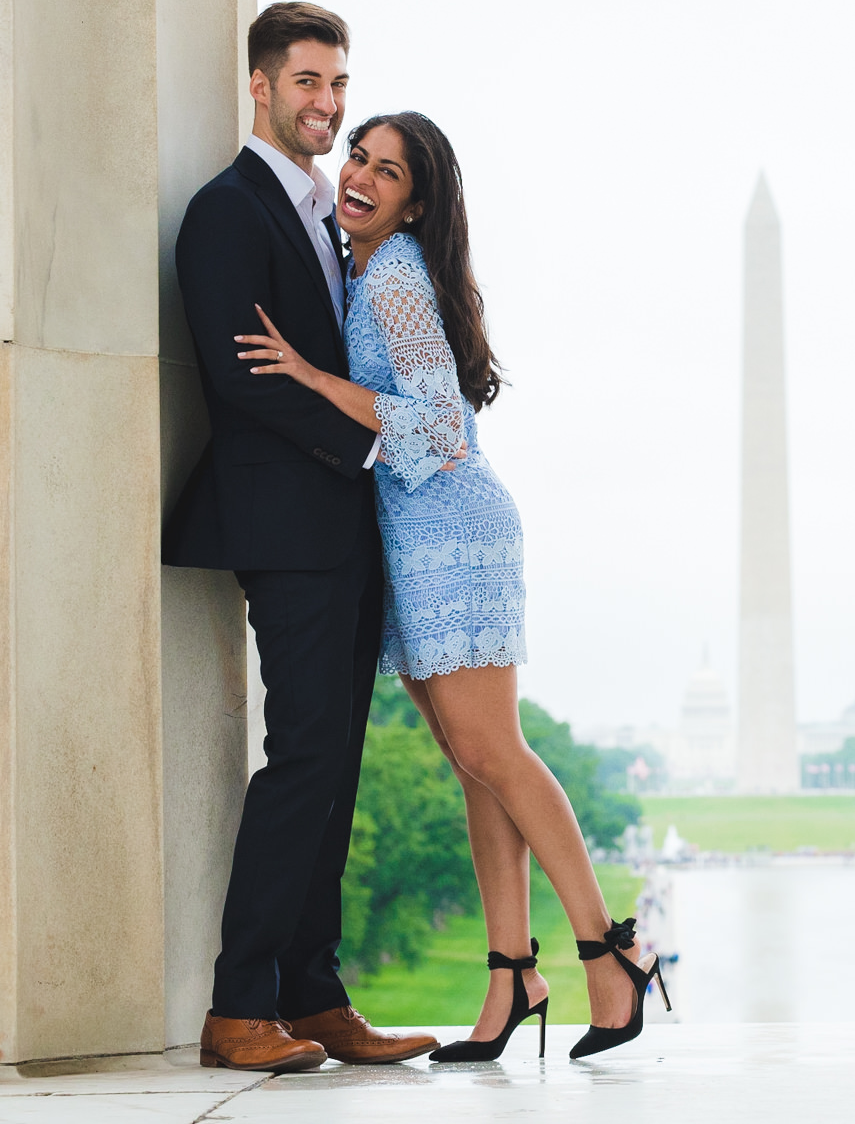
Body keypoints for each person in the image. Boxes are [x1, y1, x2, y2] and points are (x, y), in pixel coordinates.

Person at [236, 111, 668, 1061]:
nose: (360, 174)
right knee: (474, 760)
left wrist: (310, 376)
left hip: (452, 529)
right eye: (358, 155)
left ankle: (611, 952)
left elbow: (438, 427)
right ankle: (512, 974)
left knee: (493, 750)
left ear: (415, 199)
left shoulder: (391, 272)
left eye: (387, 171)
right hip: (416, 532)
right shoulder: (369, 266)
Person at [165, 3, 438, 1072]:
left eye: (338, 84)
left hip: (346, 527)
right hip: (286, 522)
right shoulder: (226, 212)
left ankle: (315, 994)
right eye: (307, 82)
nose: (326, 103)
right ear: (259, 86)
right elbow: (242, 380)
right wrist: (371, 450)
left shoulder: (333, 212)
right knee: (303, 760)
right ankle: (239, 1005)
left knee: (339, 764)